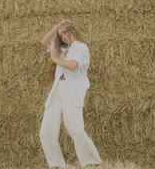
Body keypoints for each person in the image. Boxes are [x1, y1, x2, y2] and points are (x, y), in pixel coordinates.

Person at [39, 19, 106, 169]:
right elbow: (44, 42)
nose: (63, 37)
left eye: (65, 33)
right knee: (46, 130)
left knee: (75, 129)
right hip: (57, 89)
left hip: (71, 89)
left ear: (73, 31)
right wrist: (55, 27)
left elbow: (74, 65)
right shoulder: (62, 50)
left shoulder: (81, 48)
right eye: (61, 35)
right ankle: (56, 165)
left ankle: (96, 162)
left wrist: (55, 59)